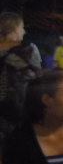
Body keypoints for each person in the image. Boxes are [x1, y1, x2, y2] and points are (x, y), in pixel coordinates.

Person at [0, 11, 41, 151]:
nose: (24, 32)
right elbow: (36, 82)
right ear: (13, 30)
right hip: (15, 119)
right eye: (22, 27)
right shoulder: (28, 52)